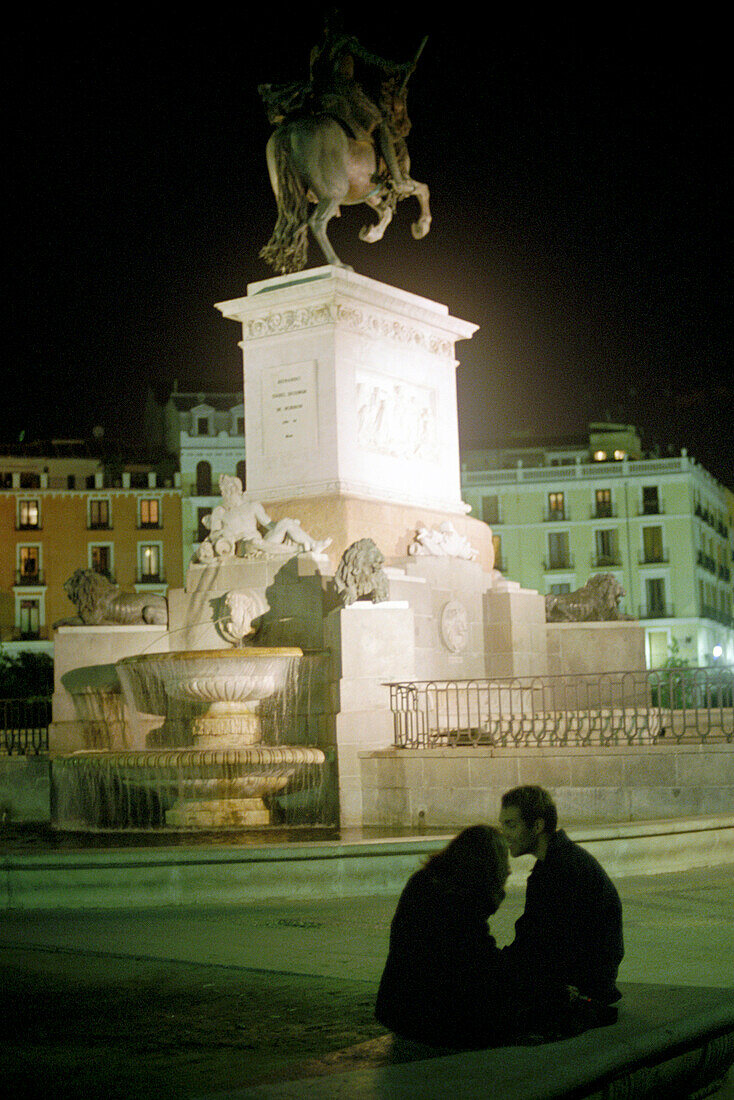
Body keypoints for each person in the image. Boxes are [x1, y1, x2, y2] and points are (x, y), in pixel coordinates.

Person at [375, 825, 515, 1048]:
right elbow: (479, 959)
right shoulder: (459, 897)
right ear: (486, 865)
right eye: (503, 861)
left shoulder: (427, 880)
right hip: (428, 1015)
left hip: (398, 1006)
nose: (508, 869)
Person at [499, 785, 624, 1010]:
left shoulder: (560, 870)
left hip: (582, 986)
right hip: (590, 980)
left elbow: (540, 947)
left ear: (537, 826)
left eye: (511, 825)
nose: (504, 833)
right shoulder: (562, 861)